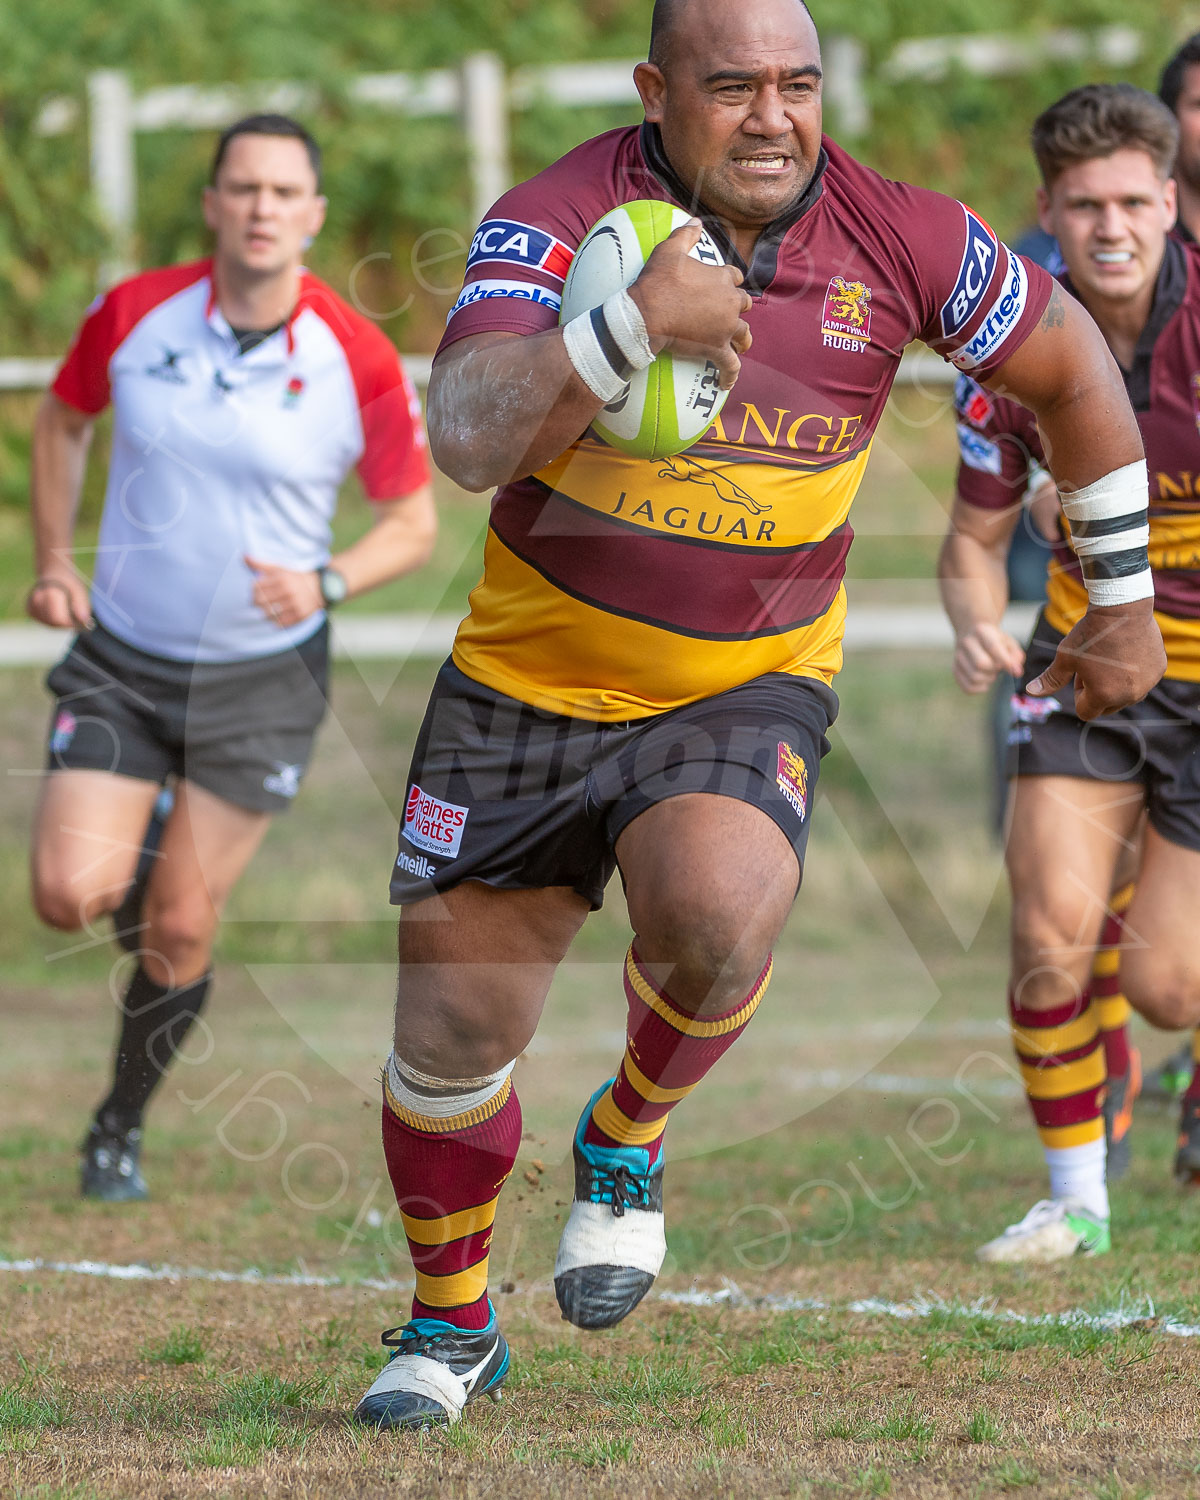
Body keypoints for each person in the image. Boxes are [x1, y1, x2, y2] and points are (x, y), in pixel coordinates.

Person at [353, 0, 1162, 1432]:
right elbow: (473, 436)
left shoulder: (902, 233)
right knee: (453, 1037)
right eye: (734, 87)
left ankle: (624, 1139)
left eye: (799, 83)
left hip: (740, 681)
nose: (775, 116)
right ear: (658, 90)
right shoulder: (556, 215)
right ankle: (451, 1324)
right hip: (525, 690)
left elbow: (1075, 377)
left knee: (723, 913)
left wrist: (1122, 594)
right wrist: (630, 329)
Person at [28, 114, 435, 1202]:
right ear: (212, 203)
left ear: (312, 216)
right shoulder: (133, 315)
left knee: (179, 925)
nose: (261, 207)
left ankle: (117, 1127)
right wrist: (55, 558)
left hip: (263, 677)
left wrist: (328, 579)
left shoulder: (354, 355)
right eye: (242, 187)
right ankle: (152, 831)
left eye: (283, 191)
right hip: (125, 657)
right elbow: (61, 421)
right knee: (68, 894)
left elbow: (413, 522)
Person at [940, 83, 1200, 1258]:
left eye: (1133, 201)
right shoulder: (1010, 355)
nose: (1111, 226)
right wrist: (972, 621)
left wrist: (1105, 499)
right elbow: (969, 546)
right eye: (1085, 203)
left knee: (1168, 992)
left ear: (1171, 200)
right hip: (1081, 670)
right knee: (1048, 934)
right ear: (1048, 207)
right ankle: (1076, 1204)